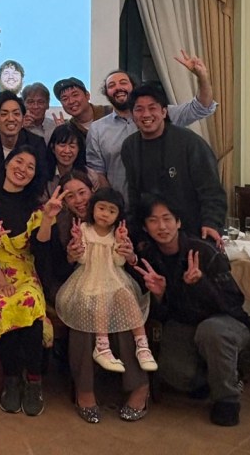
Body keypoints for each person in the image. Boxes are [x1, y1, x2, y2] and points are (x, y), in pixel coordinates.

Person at [31, 172, 150, 423]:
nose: (78, 200)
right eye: (70, 195)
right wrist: (70, 257)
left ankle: (139, 386)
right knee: (85, 307)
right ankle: (85, 391)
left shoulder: (117, 219)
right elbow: (49, 267)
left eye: (82, 192)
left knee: (123, 306)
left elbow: (131, 263)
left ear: (93, 190)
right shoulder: (62, 222)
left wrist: (130, 256)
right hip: (71, 285)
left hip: (114, 281)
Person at [132, 195, 249, 427]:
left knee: (211, 332)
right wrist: (160, 294)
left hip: (226, 322)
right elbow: (163, 315)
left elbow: (233, 303)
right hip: (185, 323)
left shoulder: (204, 251)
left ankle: (227, 399)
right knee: (173, 374)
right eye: (154, 221)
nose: (162, 226)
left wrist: (200, 283)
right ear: (146, 227)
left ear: (179, 222)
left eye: (167, 219)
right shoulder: (150, 257)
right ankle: (218, 373)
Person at [0, 143, 48, 416]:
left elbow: (40, 250)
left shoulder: (37, 207)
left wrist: (49, 218)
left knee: (30, 302)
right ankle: (12, 379)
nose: (22, 170)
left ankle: (34, 381)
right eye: (18, 162)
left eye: (30, 167)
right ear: (7, 163)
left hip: (25, 271)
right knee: (1, 305)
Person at [53, 188, 156, 375]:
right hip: (89, 278)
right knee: (101, 298)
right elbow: (82, 260)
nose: (105, 214)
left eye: (111, 211)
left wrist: (119, 242)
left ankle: (142, 346)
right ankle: (102, 346)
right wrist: (78, 241)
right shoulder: (84, 229)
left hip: (113, 277)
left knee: (128, 296)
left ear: (118, 215)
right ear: (92, 208)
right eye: (101, 208)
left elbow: (119, 262)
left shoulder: (116, 233)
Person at [86, 54, 217, 198]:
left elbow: (201, 107)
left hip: (164, 210)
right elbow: (97, 172)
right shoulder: (97, 129)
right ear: (106, 93)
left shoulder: (160, 114)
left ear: (133, 87)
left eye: (123, 82)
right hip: (121, 210)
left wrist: (202, 77)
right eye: (111, 85)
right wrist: (112, 205)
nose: (118, 88)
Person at [121, 84, 227, 242]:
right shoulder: (130, 146)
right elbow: (134, 193)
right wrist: (134, 233)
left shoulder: (189, 142)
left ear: (164, 112)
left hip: (193, 230)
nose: (146, 114)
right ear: (132, 115)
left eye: (152, 108)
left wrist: (211, 223)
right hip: (152, 235)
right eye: (139, 109)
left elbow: (211, 190)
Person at [0, 91, 48, 192]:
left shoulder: (36, 144)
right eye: (4, 114)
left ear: (23, 119)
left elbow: (40, 181)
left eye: (16, 114)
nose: (11, 119)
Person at [44, 123, 93, 196]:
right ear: (52, 148)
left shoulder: (90, 176)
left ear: (79, 149)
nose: (67, 151)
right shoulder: (42, 176)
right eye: (62, 145)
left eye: (72, 146)